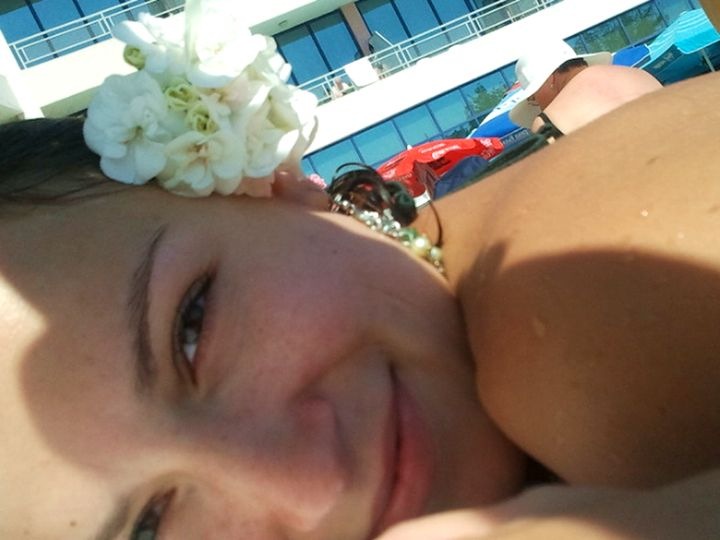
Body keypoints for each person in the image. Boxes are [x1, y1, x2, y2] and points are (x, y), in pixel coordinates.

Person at [2, 3, 720, 540]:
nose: (311, 487)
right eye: (150, 526)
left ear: (272, 181)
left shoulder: (580, 339)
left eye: (193, 326)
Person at [509, 38, 662, 138]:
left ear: (550, 80)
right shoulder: (641, 76)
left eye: (533, 97)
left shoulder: (549, 122)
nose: (538, 105)